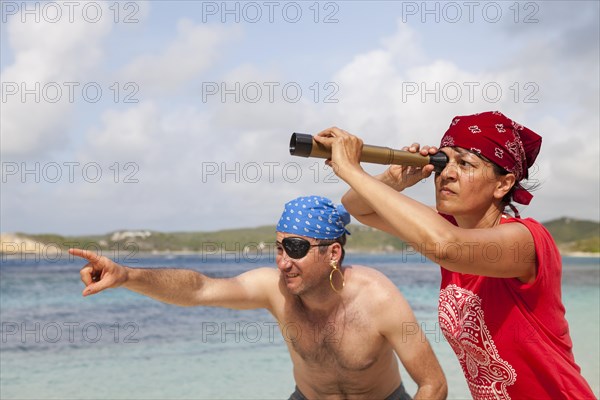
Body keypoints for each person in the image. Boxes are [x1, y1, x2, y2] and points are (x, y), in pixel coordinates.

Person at [314, 111, 596, 399]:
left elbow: (445, 247)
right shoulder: (448, 230)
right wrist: (392, 178)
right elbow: (358, 207)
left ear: (503, 184)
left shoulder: (526, 240)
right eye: (442, 162)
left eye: (465, 164)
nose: (447, 173)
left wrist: (351, 169)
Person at [71, 195, 447, 400]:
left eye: (296, 248)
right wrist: (127, 276)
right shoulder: (275, 289)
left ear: (333, 253)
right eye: (279, 248)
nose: (284, 262)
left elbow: (433, 385)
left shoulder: (378, 297)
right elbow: (200, 289)